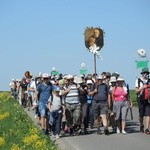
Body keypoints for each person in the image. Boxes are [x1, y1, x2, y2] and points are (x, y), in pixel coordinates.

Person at [135, 67, 150, 134]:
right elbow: (136, 91)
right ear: (142, 73)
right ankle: (141, 125)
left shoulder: (149, 80)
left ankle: (147, 128)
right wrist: (141, 88)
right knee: (141, 115)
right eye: (144, 73)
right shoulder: (138, 80)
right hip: (140, 99)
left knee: (148, 114)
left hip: (148, 99)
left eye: (146, 73)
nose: (145, 74)